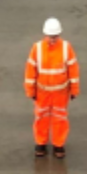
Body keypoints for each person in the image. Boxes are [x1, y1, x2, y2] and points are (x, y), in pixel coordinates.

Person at [24, 17, 80, 157]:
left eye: (55, 36)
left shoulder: (66, 48)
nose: (53, 39)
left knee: (60, 118)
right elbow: (30, 70)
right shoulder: (37, 48)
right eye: (51, 36)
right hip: (42, 92)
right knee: (41, 117)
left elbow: (73, 70)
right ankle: (40, 143)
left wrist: (74, 89)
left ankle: (58, 145)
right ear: (45, 35)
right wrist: (30, 90)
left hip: (60, 93)